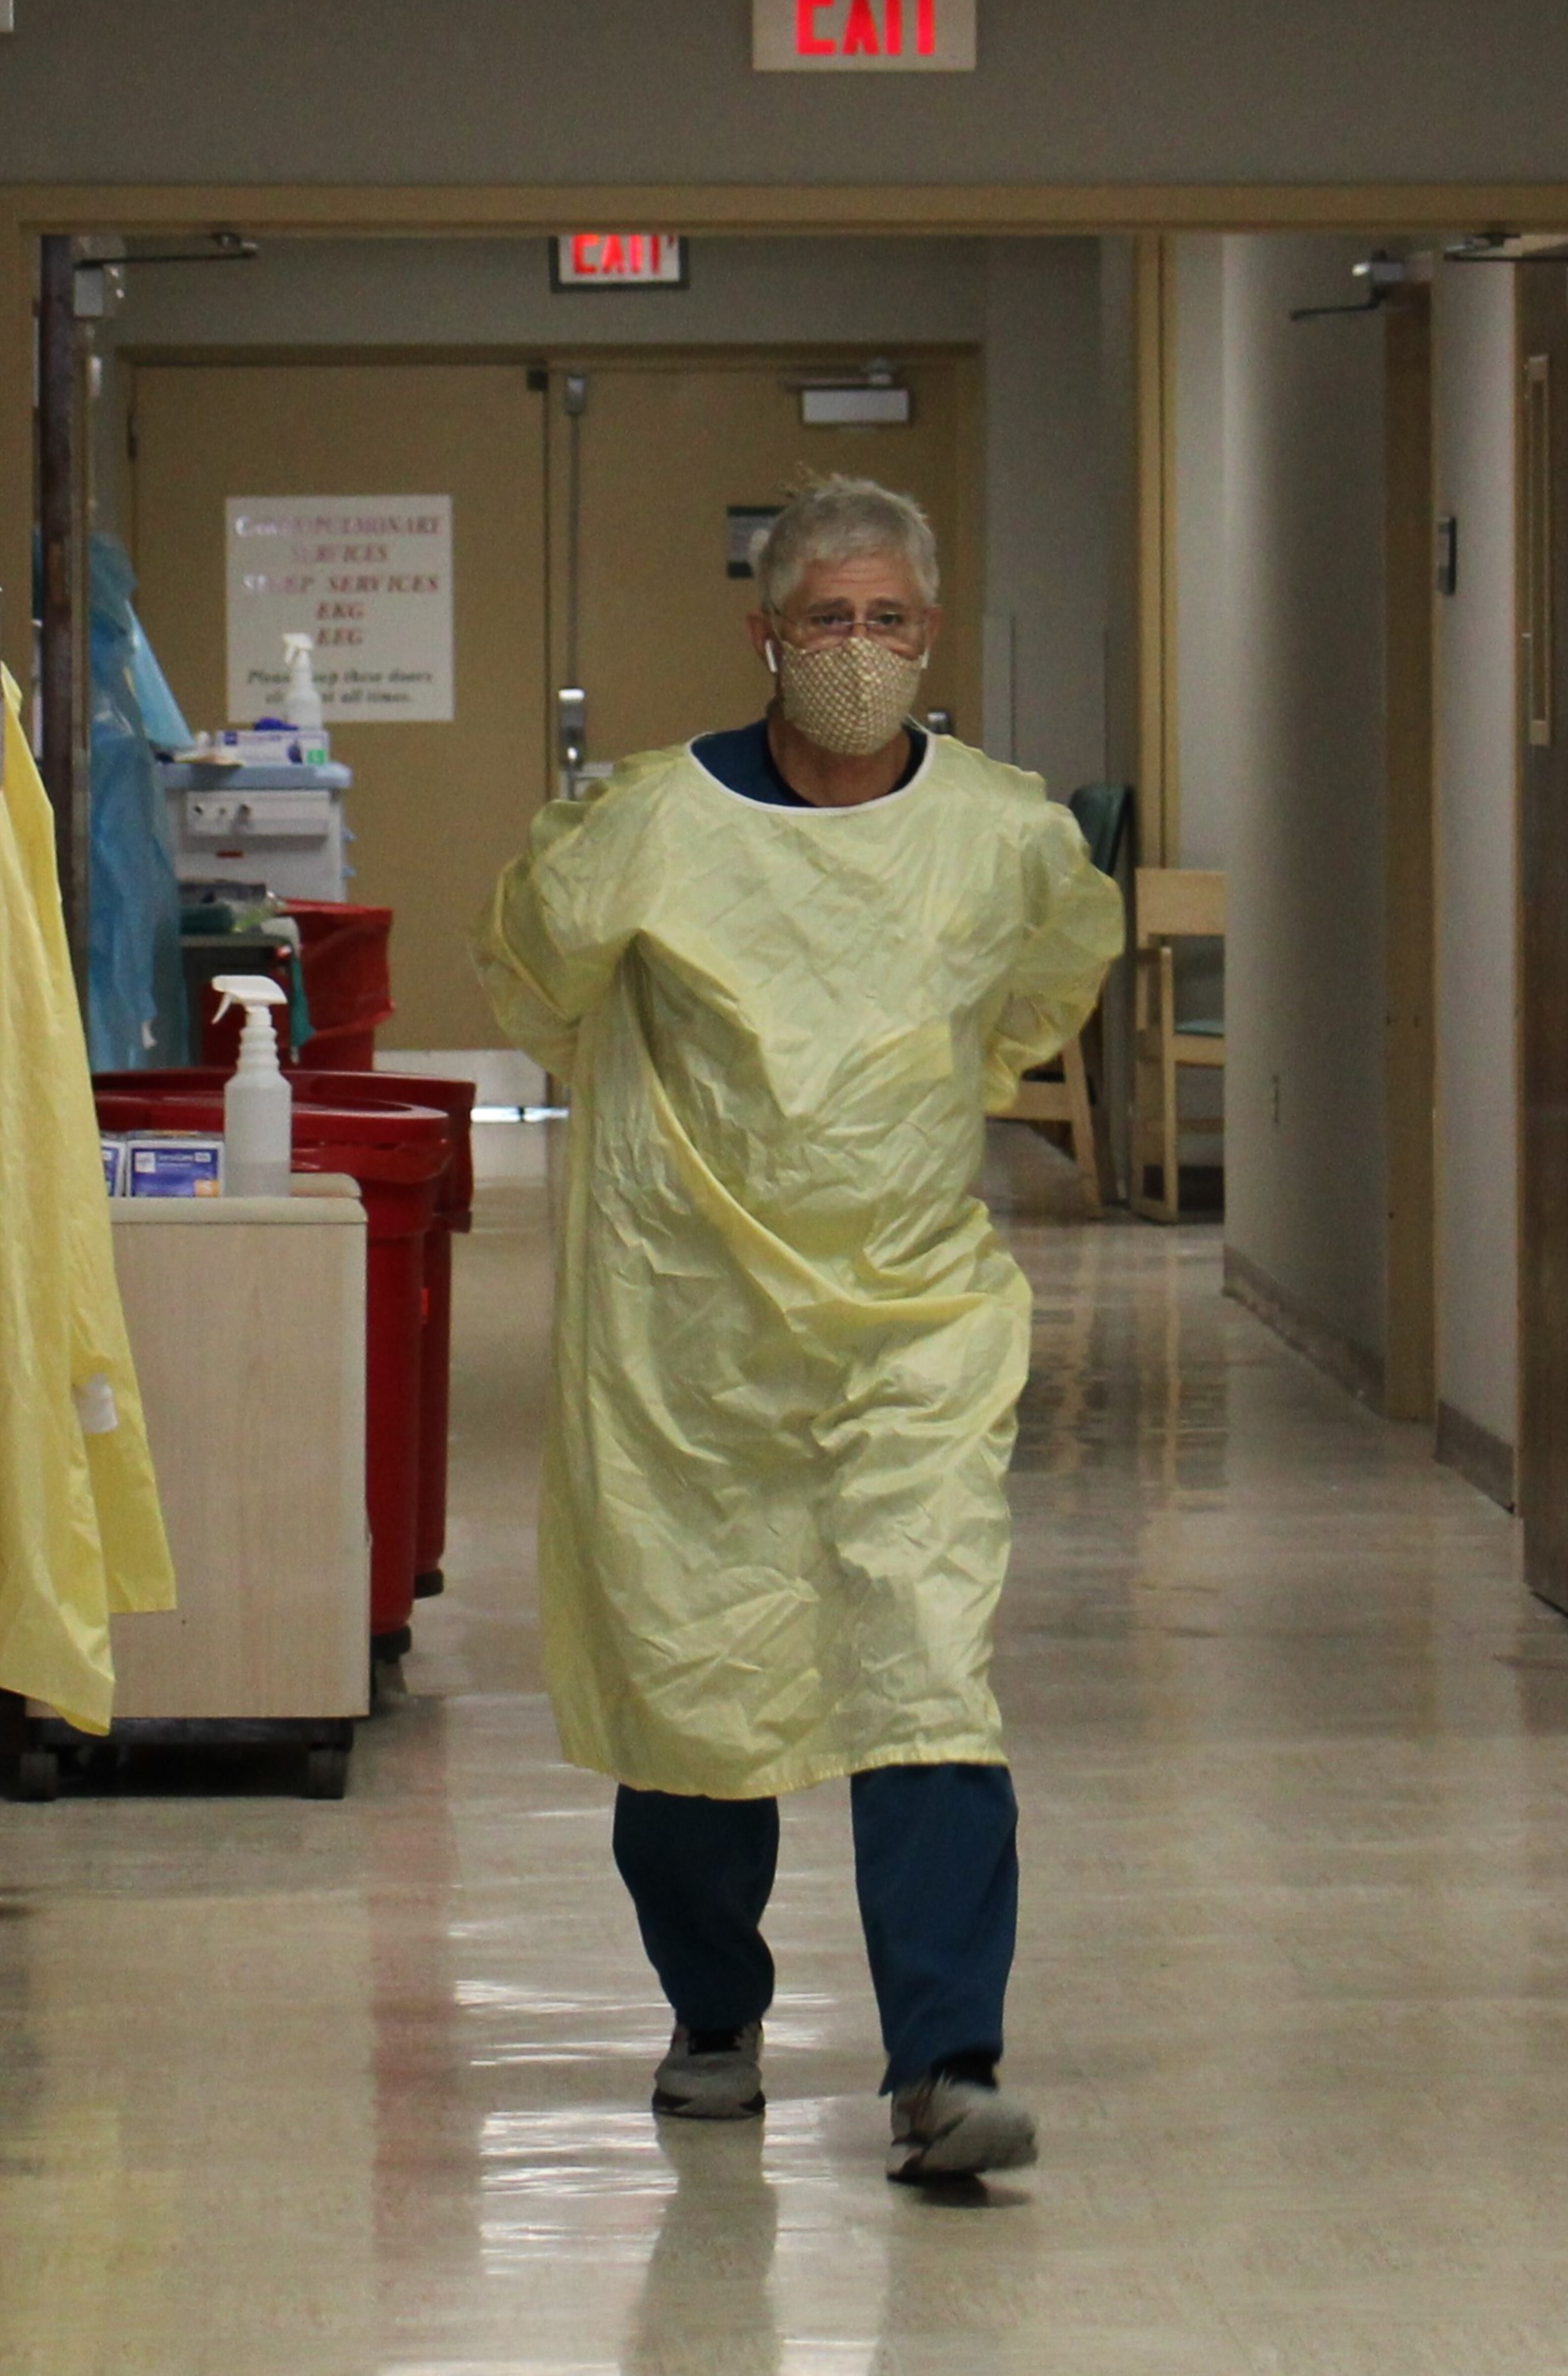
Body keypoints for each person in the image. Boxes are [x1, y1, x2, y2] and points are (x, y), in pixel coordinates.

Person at [474, 477, 1123, 2181]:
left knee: (925, 1667)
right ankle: (711, 2013)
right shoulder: (650, 823)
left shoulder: (997, 831)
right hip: (688, 1327)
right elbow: (537, 979)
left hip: (910, 1320)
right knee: (701, 1682)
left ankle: (944, 2068)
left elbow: (1047, 986)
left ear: (932, 635)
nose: (856, 652)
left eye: (887, 621)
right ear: (765, 633)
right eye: (825, 620)